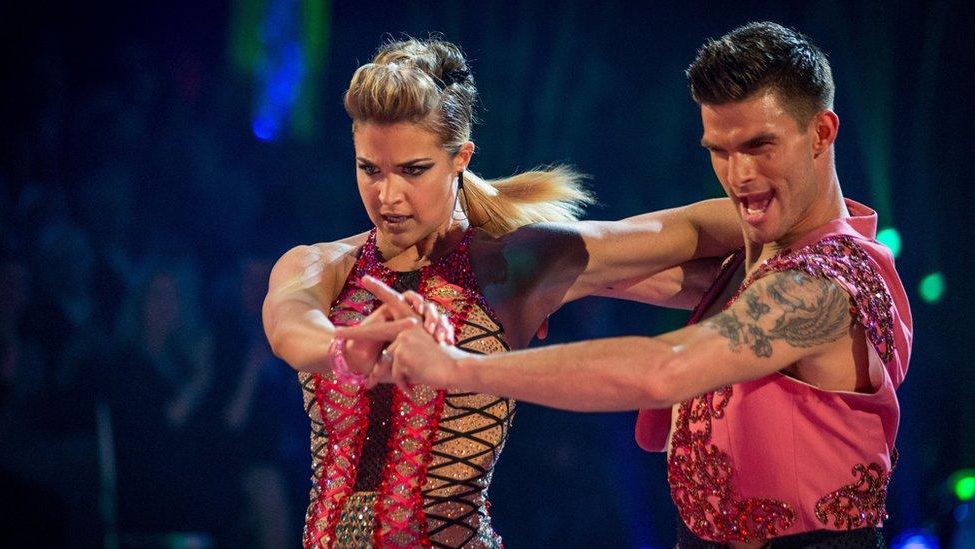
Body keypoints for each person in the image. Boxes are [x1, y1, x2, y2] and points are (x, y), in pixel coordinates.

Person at [343, 23, 913, 547]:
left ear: (821, 132)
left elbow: (663, 370)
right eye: (720, 150)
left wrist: (456, 367)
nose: (740, 176)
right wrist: (471, 245)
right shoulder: (749, 254)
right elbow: (617, 248)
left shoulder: (825, 284)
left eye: (760, 146)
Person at [262, 37, 742, 548]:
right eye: (370, 169)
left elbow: (691, 229)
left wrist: (826, 231)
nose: (387, 195)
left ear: (460, 157)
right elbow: (290, 328)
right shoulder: (321, 263)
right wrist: (342, 348)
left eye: (413, 170)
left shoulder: (514, 265)